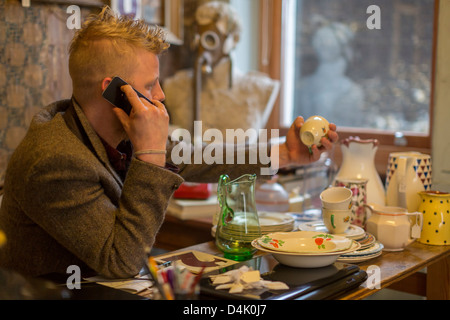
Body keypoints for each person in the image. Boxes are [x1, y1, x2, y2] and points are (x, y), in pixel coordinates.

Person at [0, 6, 338, 279]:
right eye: (149, 86)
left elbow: (203, 154)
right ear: (114, 91)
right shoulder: (55, 159)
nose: (160, 96)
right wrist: (149, 155)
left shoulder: (113, 130)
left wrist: (286, 153)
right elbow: (121, 262)